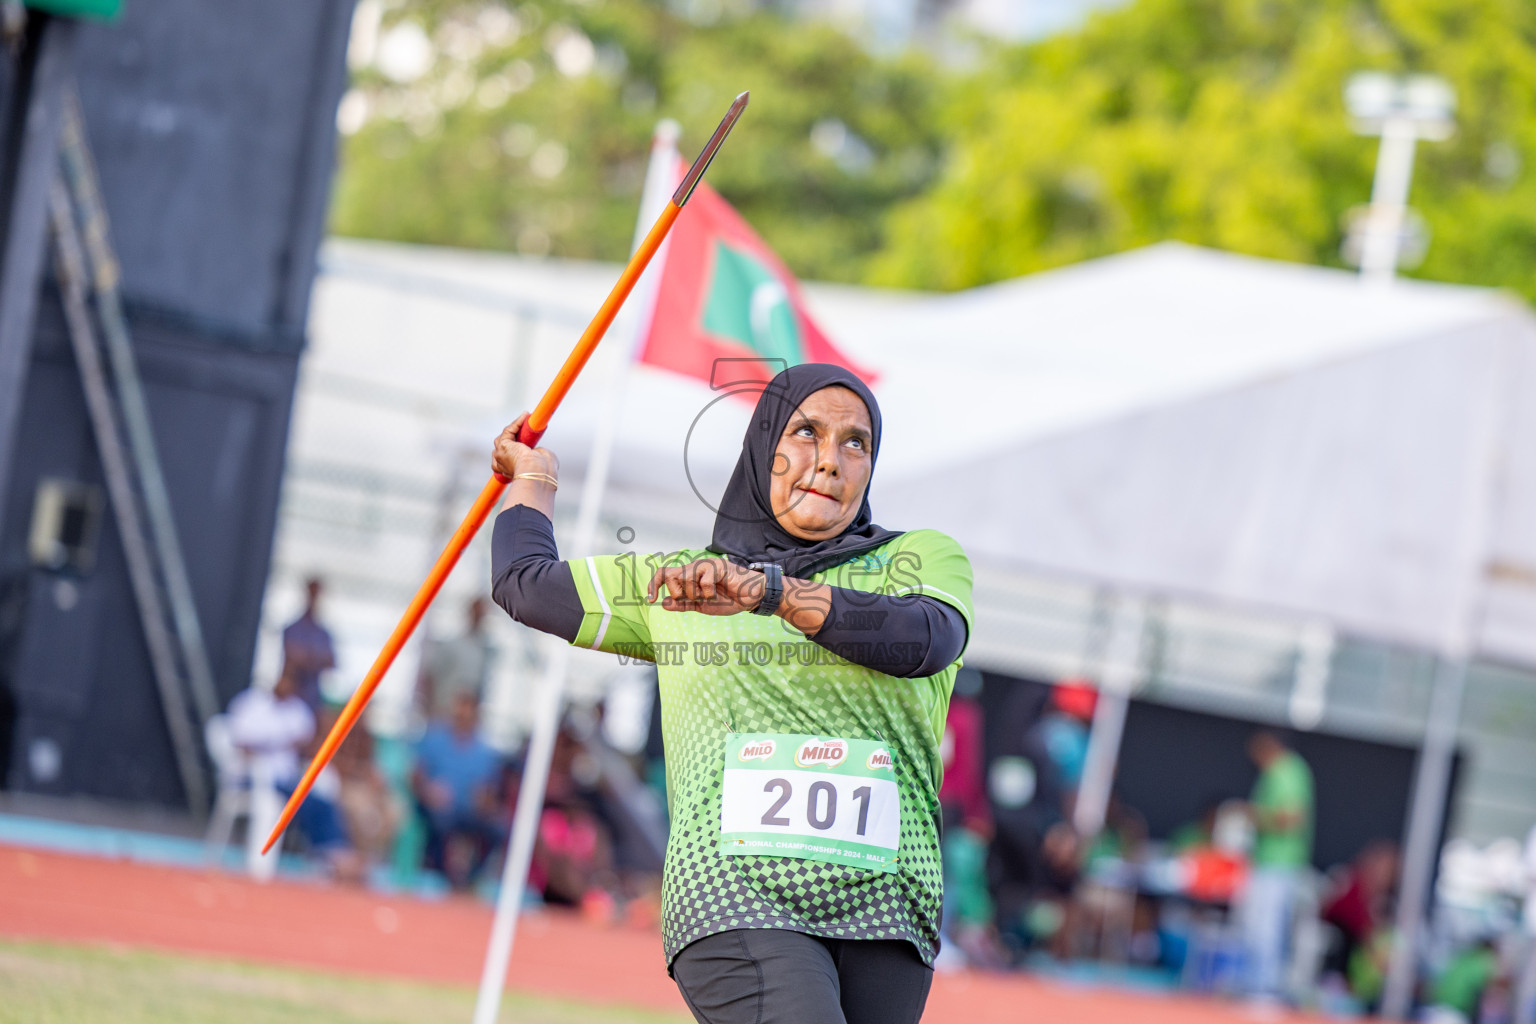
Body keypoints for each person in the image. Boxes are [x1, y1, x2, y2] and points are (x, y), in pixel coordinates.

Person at [490, 364, 973, 1024]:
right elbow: (526, 582)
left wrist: (771, 593)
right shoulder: (681, 584)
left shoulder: (918, 559)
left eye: (855, 442)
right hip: (735, 893)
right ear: (764, 443)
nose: (829, 462)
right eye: (807, 432)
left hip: (886, 903)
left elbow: (924, 639)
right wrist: (534, 481)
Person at [226, 661, 360, 880]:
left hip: (286, 779)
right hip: (252, 777)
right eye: (283, 678)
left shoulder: (298, 712)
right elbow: (240, 744)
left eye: (291, 681)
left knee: (322, 804)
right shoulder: (251, 704)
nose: (286, 685)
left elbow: (306, 746)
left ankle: (332, 856)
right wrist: (276, 743)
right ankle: (334, 858)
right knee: (304, 799)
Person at [1239, 730, 1315, 1001]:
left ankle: (1264, 986)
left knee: (1267, 926)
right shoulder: (1275, 773)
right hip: (1266, 860)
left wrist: (1258, 818)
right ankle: (1256, 982)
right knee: (1255, 923)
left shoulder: (1289, 771)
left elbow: (1292, 818)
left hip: (1280, 863)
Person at [412, 690, 503, 890]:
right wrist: (429, 790)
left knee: (499, 829)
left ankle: (471, 879)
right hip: (436, 807)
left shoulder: (484, 752)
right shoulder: (434, 738)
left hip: (468, 810)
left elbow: (489, 792)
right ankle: (439, 875)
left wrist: (484, 800)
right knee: (440, 821)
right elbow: (416, 777)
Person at [417, 596, 496, 722]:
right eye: (477, 613)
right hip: (442, 712)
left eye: (482, 615)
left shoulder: (483, 651)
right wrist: (430, 707)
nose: (480, 618)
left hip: (464, 722)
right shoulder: (452, 645)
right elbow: (430, 676)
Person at [282, 576, 336, 714]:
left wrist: (307, 657)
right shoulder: (293, 628)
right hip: (290, 695)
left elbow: (332, 662)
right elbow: (293, 657)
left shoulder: (324, 633)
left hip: (313, 698)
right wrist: (317, 658)